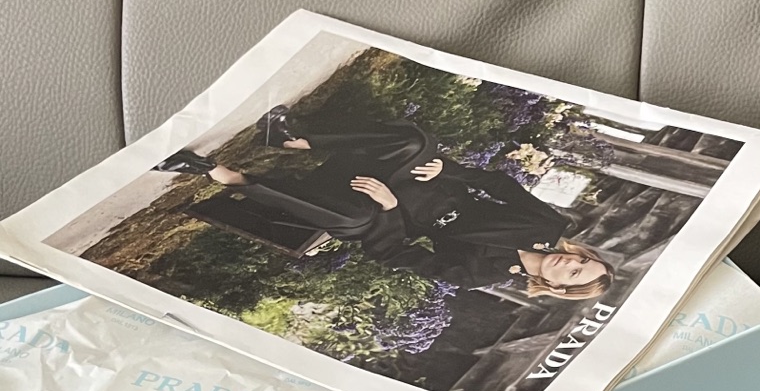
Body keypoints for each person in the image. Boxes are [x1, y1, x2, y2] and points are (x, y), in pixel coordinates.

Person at [155, 110, 613, 300]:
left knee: (352, 217)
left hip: (392, 216)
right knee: (416, 142)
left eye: (574, 275)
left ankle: (225, 175)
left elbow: (395, 254)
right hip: (429, 185)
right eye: (581, 261)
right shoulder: (546, 223)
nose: (569, 263)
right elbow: (496, 182)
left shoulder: (481, 276)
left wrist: (390, 207)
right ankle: (293, 140)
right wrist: (447, 170)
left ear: (558, 288)